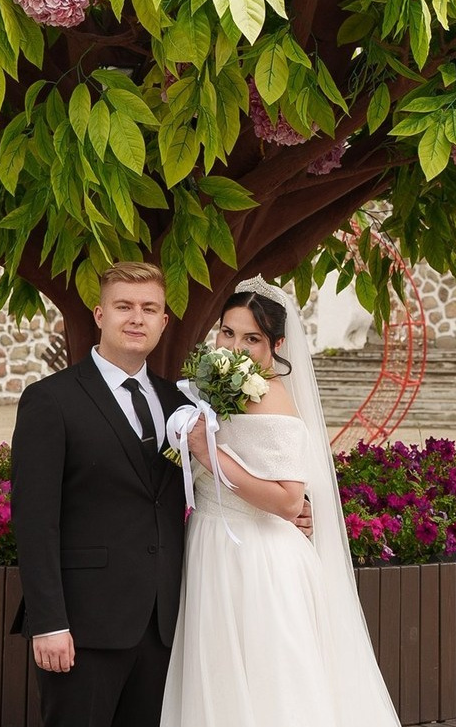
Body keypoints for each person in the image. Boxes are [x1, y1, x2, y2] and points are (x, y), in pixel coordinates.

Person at [159, 276, 402, 727]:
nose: (235, 346)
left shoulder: (271, 397)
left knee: (272, 683)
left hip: (256, 558)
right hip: (210, 543)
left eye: (252, 338)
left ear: (277, 343)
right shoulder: (217, 387)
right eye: (227, 332)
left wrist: (204, 454)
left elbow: (289, 501)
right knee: (221, 677)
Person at [10, 261, 189, 727]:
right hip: (81, 626)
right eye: (124, 306)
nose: (137, 318)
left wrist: (297, 511)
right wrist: (49, 622)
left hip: (163, 624)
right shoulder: (51, 400)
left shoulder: (180, 404)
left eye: (150, 308)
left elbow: (211, 487)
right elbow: (34, 521)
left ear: (164, 321)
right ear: (99, 314)